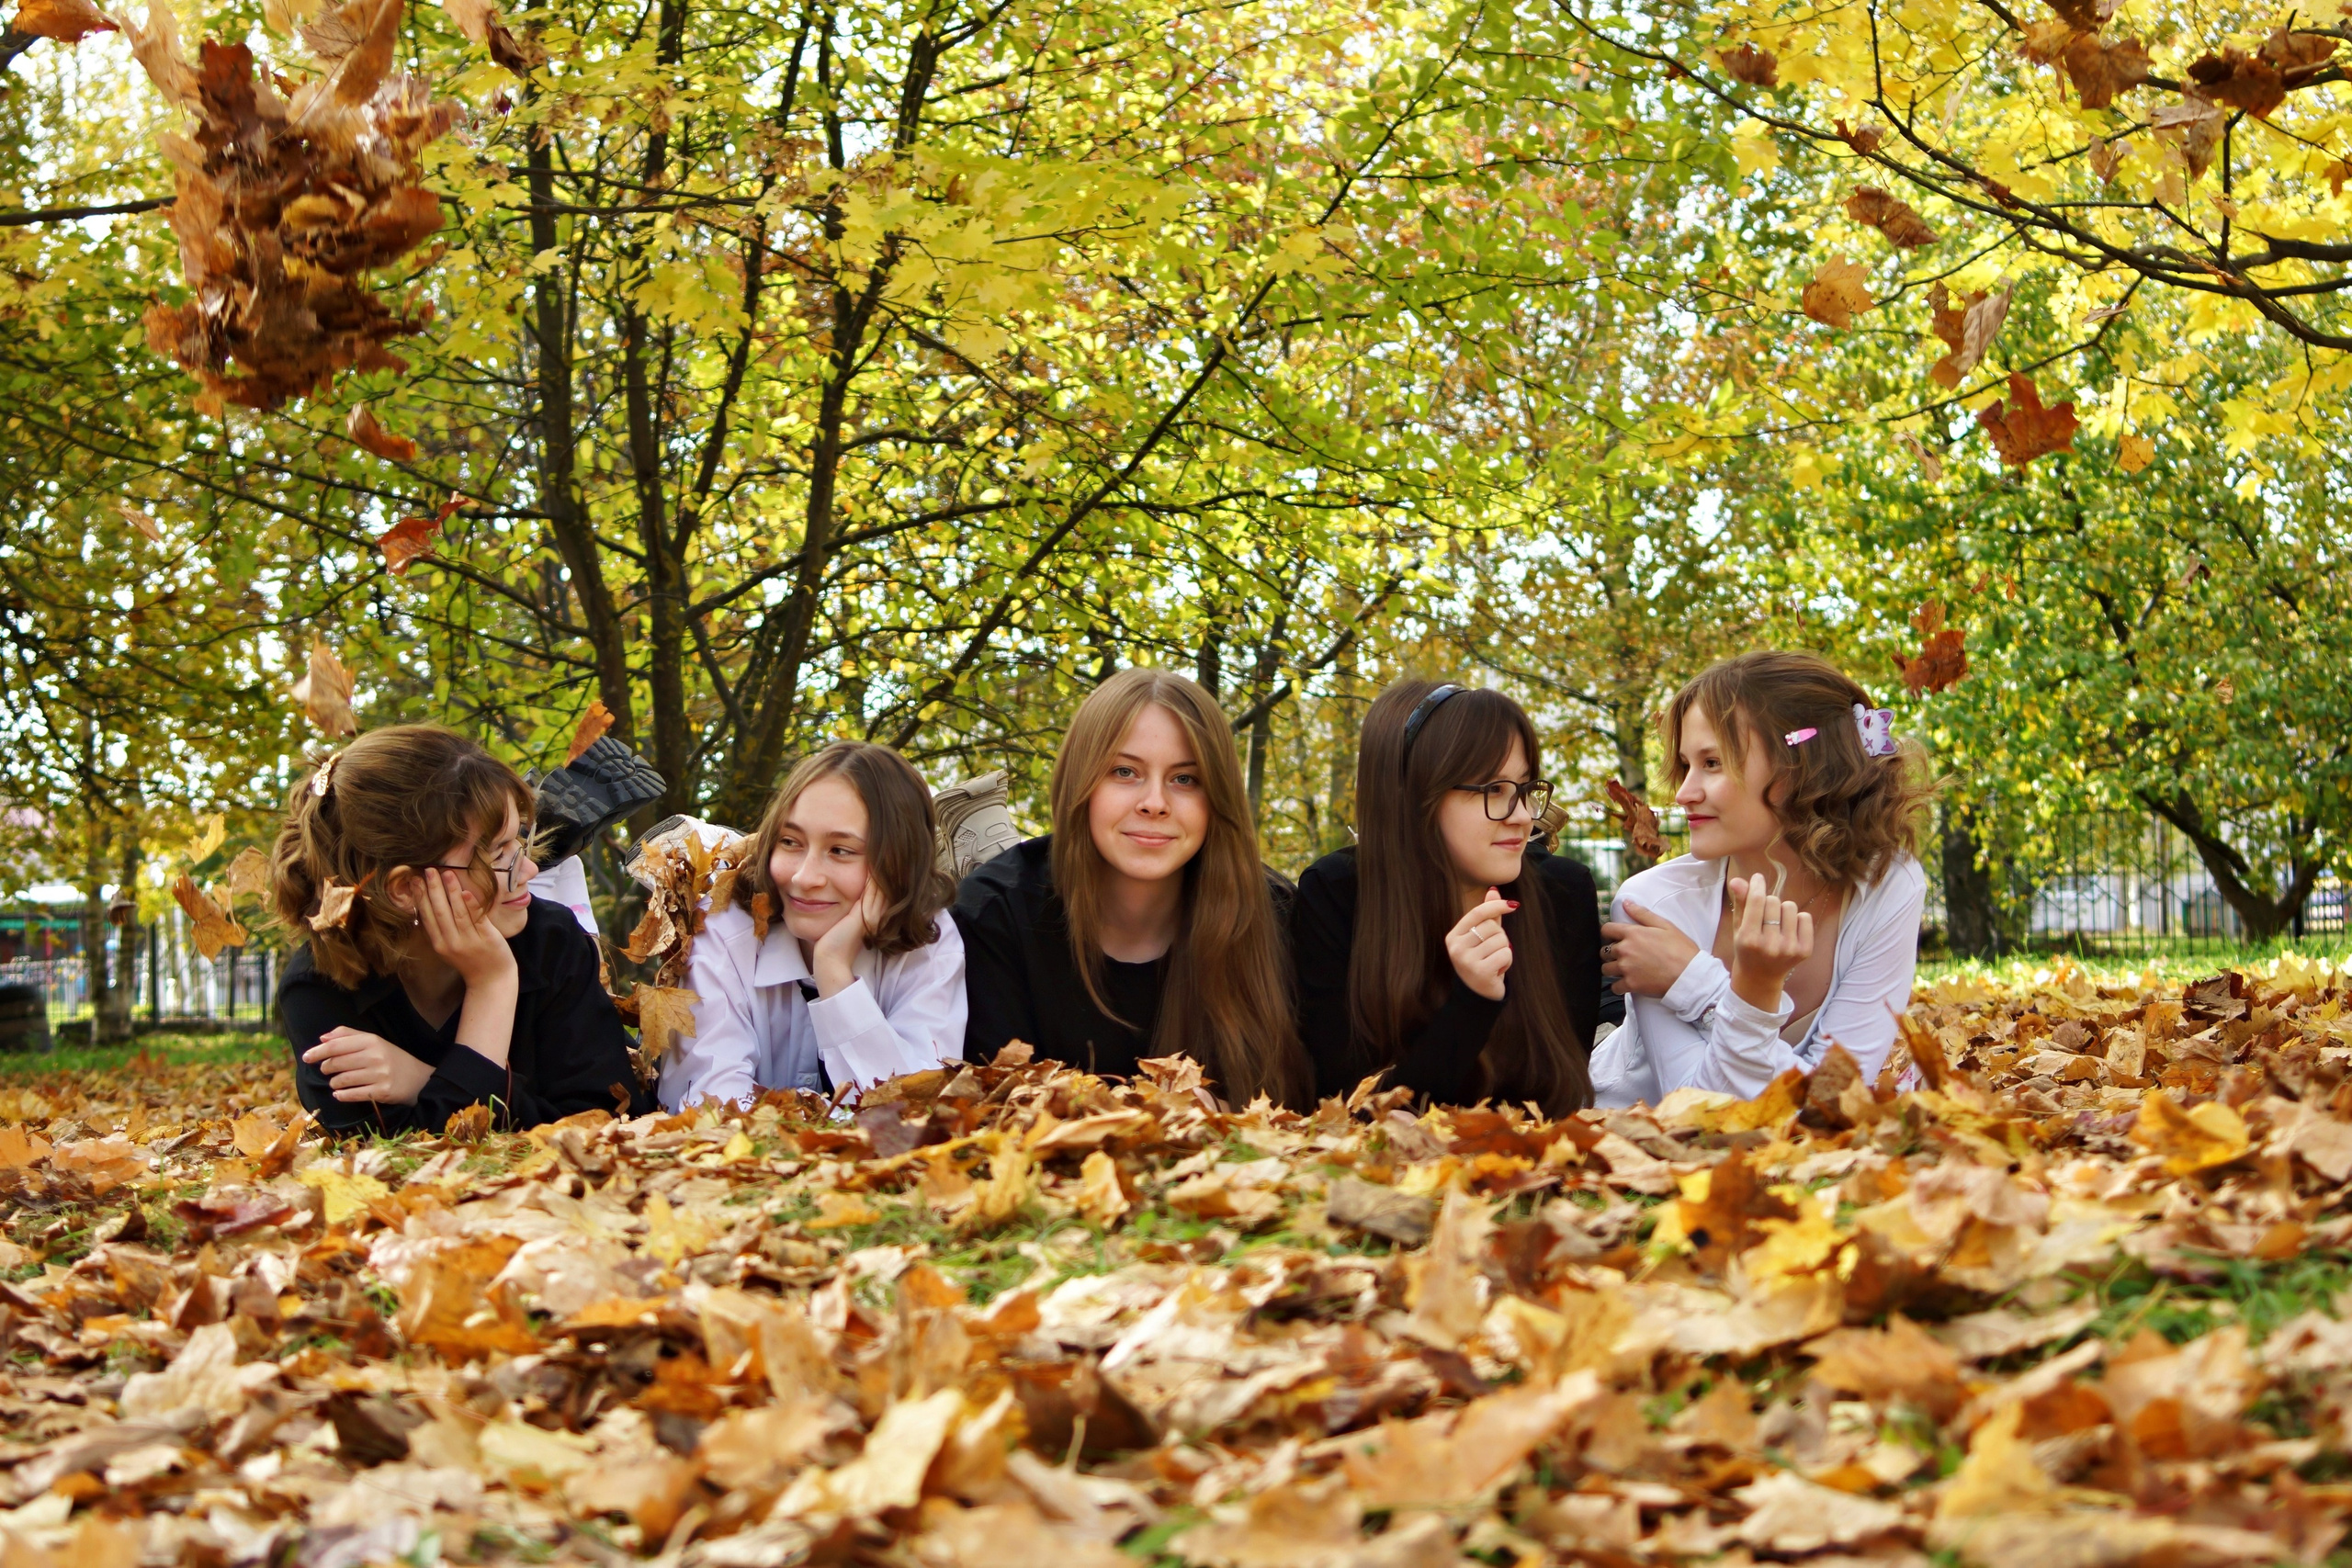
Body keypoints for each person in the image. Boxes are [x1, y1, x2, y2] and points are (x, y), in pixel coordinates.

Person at [954, 668, 1308, 1108]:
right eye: (1124, 771)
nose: (1154, 803)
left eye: (1185, 779)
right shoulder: (996, 914)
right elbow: (995, 1108)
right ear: (1079, 782)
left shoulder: (1274, 916)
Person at [1591, 651, 1934, 1106]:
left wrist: (1697, 983)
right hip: (1629, 1141)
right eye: (1687, 765)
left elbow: (1833, 1098)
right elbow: (1699, 1114)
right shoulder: (1652, 903)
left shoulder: (1888, 886)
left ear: (1801, 768)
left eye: (1712, 763)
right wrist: (1748, 995)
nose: (1684, 793)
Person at [274, 726, 650, 1133]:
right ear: (405, 888)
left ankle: (557, 863)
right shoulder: (319, 987)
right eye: (499, 853)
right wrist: (491, 989)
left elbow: (610, 1121)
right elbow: (390, 1159)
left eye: (518, 844)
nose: (528, 867)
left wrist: (423, 1080)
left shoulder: (551, 942)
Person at [1293, 680, 1610, 1113]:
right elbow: (1347, 1109)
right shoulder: (1338, 894)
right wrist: (1472, 1002)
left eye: (1522, 788)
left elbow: (1558, 1098)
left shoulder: (1561, 894)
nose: (1520, 816)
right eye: (1492, 790)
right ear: (1415, 798)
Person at [659, 742, 966, 1107]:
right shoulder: (722, 928)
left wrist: (833, 972)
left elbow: (917, 1113)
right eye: (790, 842)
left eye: (840, 850)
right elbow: (707, 1107)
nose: (804, 878)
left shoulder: (929, 943)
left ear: (898, 864)